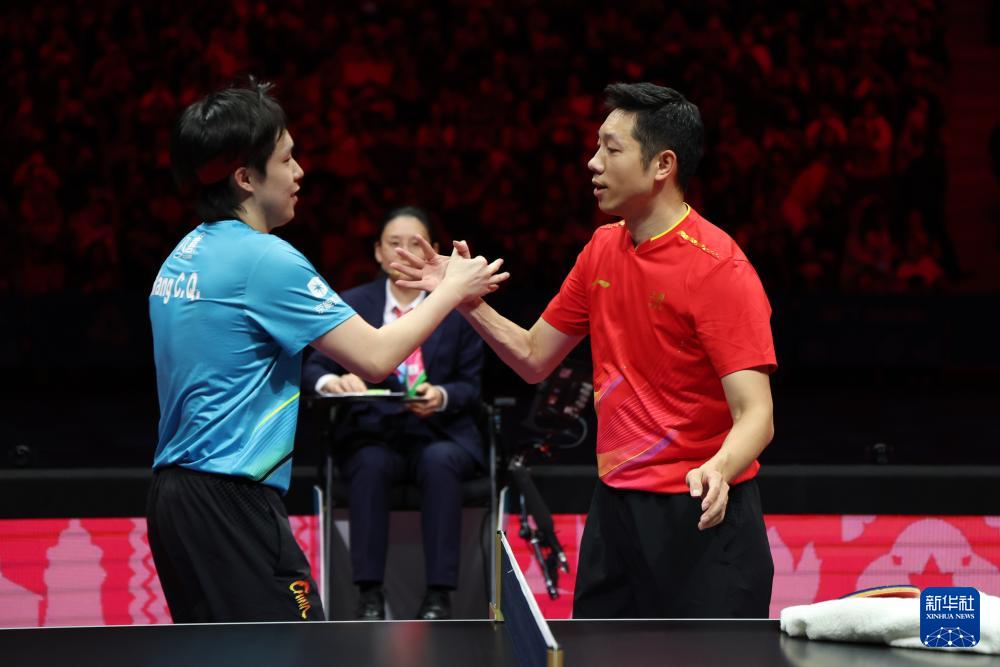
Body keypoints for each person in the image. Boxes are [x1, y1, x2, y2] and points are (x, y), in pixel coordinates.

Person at [393, 82, 776, 619]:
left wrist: (719, 467)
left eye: (611, 149)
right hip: (615, 513)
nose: (593, 163)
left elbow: (756, 414)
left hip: (701, 514)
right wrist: (461, 299)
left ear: (662, 165)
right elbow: (533, 357)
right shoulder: (601, 249)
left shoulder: (719, 268)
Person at [147, 79, 507, 624]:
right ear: (245, 177)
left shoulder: (182, 256)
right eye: (286, 159)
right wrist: (451, 289)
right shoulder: (265, 260)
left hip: (174, 499)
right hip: (232, 500)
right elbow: (377, 356)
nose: (299, 173)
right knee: (303, 643)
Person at [302, 206, 484, 620]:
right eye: (393, 243)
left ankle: (439, 595)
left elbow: (471, 386)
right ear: (378, 252)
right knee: (369, 462)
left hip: (439, 433)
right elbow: (313, 369)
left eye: (415, 244)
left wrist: (442, 395)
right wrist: (334, 382)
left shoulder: (458, 309)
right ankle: (368, 594)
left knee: (440, 462)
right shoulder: (350, 304)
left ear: (433, 250)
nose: (403, 252)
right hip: (373, 432)